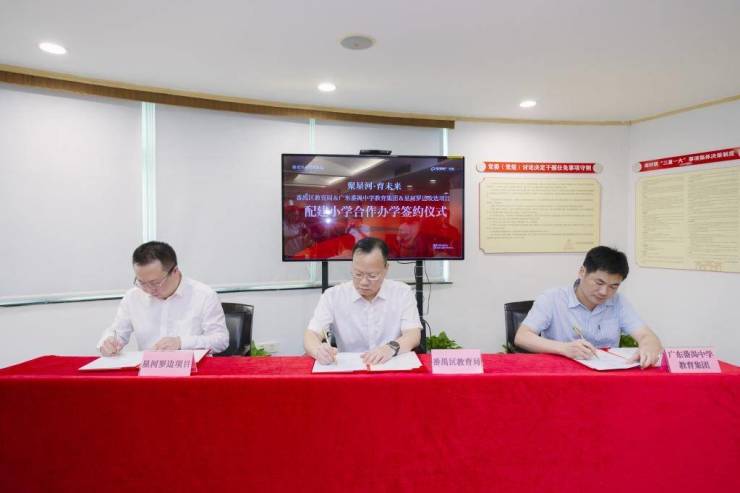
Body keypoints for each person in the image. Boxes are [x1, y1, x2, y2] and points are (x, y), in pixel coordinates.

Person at [514, 245, 663, 368]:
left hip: (605, 378)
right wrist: (564, 348)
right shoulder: (552, 298)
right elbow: (522, 337)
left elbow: (647, 336)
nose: (604, 292)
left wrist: (648, 347)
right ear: (582, 272)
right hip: (561, 374)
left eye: (613, 286)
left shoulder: (618, 302)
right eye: (599, 283)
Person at [304, 237, 422, 365]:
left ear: (386, 269)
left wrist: (390, 348)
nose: (364, 282)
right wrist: (318, 351)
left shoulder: (402, 292)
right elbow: (312, 334)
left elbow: (413, 334)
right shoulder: (333, 296)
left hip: (390, 365)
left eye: (372, 276)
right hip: (350, 368)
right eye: (358, 274)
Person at [97, 241, 229, 355]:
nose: (149, 289)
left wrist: (181, 343)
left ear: (175, 271)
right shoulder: (132, 297)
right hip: (149, 370)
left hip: (192, 370)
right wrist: (109, 341)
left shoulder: (204, 295)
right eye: (142, 282)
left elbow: (221, 340)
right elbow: (117, 331)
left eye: (155, 283)